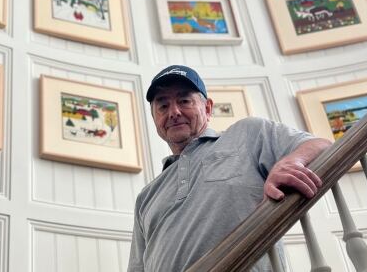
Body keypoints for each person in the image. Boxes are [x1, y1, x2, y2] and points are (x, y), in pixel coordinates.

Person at [128, 65, 331, 272]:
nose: (174, 112)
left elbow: (321, 145)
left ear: (207, 108)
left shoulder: (248, 133)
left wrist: (289, 163)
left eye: (184, 101)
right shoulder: (146, 197)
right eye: (163, 106)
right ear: (155, 120)